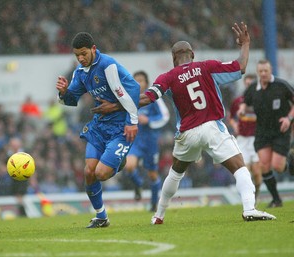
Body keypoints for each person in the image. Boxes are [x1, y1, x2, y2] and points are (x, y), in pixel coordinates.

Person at [92, 22, 276, 224]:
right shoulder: (207, 67)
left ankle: (158, 215)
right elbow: (240, 67)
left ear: (173, 59)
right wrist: (245, 44)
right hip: (212, 127)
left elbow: (146, 99)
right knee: (240, 168)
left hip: (187, 133)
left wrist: (117, 105)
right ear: (192, 54)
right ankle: (249, 208)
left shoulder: (168, 77)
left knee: (176, 173)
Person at [55, 32, 140, 228]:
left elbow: (132, 91)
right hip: (99, 126)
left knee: (101, 173)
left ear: (93, 49)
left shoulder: (107, 66)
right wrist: (63, 92)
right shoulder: (81, 72)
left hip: (120, 128)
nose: (80, 58)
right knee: (89, 172)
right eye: (77, 55)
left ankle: (120, 161)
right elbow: (71, 99)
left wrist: (131, 122)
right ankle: (101, 217)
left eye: (84, 53)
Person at [238, 59, 294, 208]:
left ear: (271, 71)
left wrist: (289, 118)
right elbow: (245, 100)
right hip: (262, 132)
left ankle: (290, 160)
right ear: (258, 72)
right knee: (264, 165)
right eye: (260, 71)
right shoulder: (253, 88)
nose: (263, 74)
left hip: (280, 130)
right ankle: (276, 199)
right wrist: (242, 108)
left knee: (277, 165)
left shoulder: (281, 85)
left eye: (266, 71)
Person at [123, 71, 170, 212]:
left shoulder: (154, 98)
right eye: (135, 80)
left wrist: (149, 121)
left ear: (146, 83)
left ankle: (154, 204)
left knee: (153, 174)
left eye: (141, 80)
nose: (138, 83)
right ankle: (138, 184)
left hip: (150, 142)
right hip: (134, 141)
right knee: (129, 166)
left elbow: (165, 116)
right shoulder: (128, 99)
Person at [228, 74, 262, 203]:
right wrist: (234, 124)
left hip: (257, 139)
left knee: (257, 173)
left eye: (251, 84)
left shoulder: (261, 99)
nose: (249, 86)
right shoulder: (238, 101)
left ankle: (256, 193)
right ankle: (249, 199)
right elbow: (230, 117)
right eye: (247, 84)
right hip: (242, 138)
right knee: (244, 170)